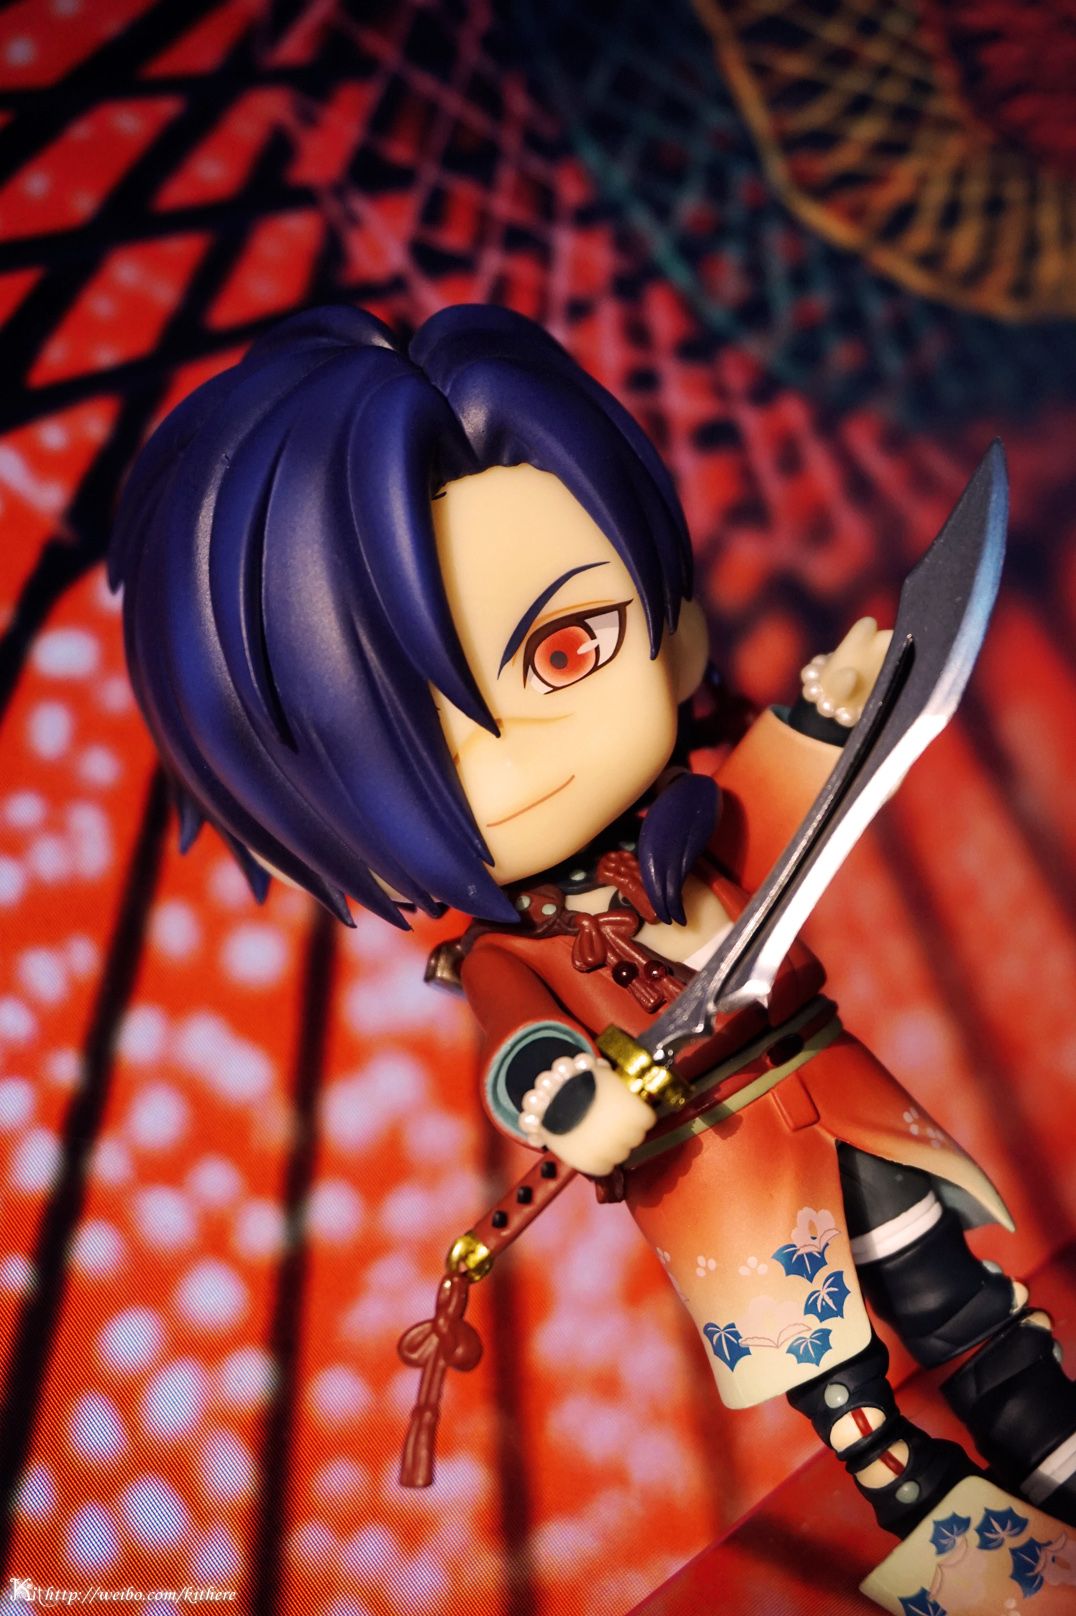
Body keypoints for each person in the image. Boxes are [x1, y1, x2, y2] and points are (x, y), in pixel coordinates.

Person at [110, 304, 1076, 1609]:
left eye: (569, 649)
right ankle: (988, 1568)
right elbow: (525, 1047)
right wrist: (575, 1100)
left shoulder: (693, 824)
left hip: (837, 1097)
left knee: (964, 1305)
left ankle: (1057, 1450)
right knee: (852, 1408)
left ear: (667, 627)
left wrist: (823, 715)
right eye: (421, 738)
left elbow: (775, 813)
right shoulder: (502, 950)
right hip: (715, 1174)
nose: (524, 752)